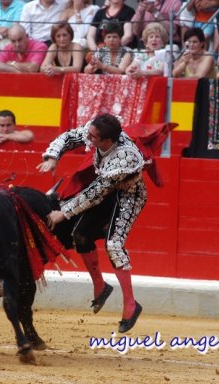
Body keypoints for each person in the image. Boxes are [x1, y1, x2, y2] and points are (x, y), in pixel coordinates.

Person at [36, 113, 146, 334]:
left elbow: (95, 194)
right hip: (104, 193)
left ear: (107, 141)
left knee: (114, 245)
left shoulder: (125, 156)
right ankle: (100, 286)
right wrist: (52, 157)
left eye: (93, 137)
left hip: (128, 197)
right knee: (81, 236)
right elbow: (69, 138)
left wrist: (64, 213)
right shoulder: (96, 131)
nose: (88, 137)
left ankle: (131, 305)